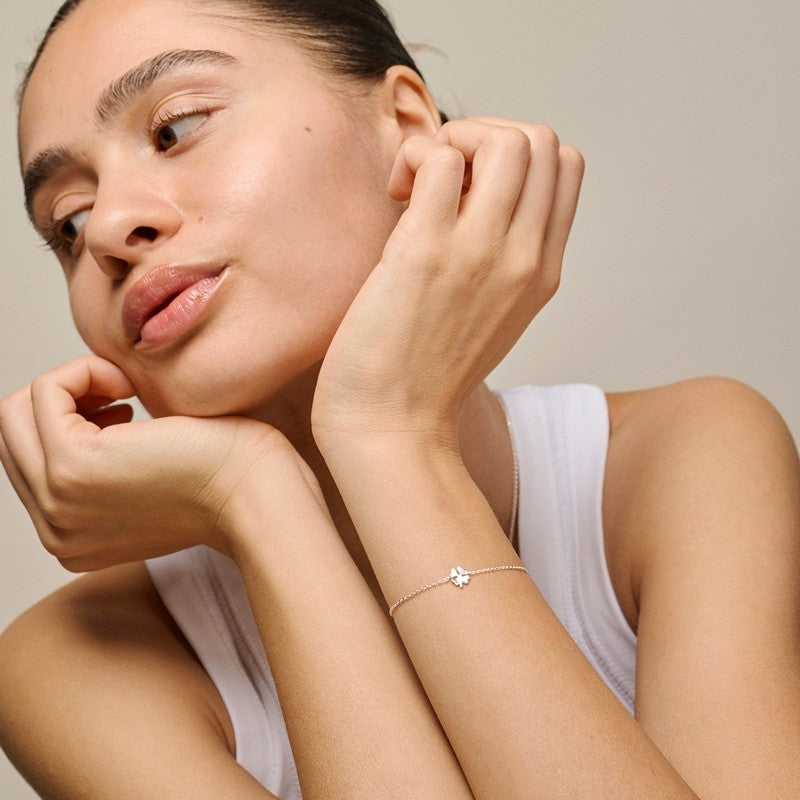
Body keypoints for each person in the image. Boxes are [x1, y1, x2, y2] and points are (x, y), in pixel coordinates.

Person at [0, 0, 798, 797]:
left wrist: (387, 434)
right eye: (67, 222)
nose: (108, 229)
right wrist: (255, 498)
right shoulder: (76, 657)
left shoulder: (680, 460)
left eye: (175, 128)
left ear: (407, 124)